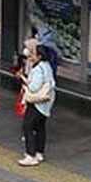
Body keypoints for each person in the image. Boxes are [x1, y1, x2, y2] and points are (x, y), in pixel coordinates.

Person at [19, 38, 56, 167]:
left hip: (36, 103)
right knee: (40, 127)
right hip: (46, 104)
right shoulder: (47, 66)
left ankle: (31, 155)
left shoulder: (39, 69)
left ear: (39, 56)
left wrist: (25, 82)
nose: (29, 55)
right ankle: (39, 152)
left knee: (27, 126)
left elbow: (34, 87)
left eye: (32, 54)